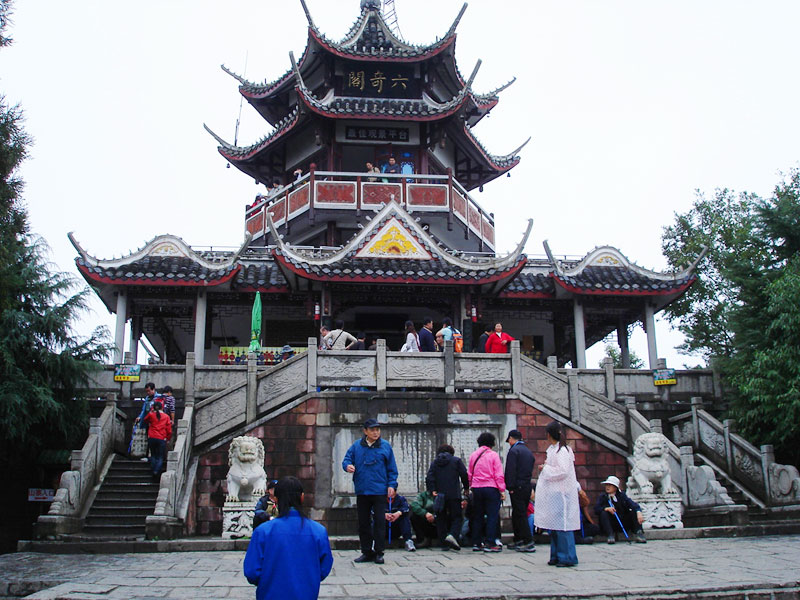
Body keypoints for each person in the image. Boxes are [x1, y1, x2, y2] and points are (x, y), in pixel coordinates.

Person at [243, 476, 333, 600]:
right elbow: (324, 567)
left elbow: (252, 572)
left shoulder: (263, 531)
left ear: (276, 499)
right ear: (302, 497)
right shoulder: (318, 531)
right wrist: (308, 579)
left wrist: (268, 581)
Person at [342, 418, 399, 565]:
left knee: (380, 522)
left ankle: (379, 552)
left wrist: (392, 485)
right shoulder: (357, 446)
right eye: (372, 430)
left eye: (377, 430)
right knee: (363, 523)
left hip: (379, 490)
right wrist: (347, 466)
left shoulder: (385, 446)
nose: (375, 433)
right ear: (365, 431)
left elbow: (392, 469)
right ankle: (366, 551)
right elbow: (346, 460)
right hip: (362, 490)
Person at [534, 421, 580, 567]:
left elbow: (563, 471)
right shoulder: (553, 449)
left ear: (549, 434)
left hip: (562, 493)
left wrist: (546, 469)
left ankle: (567, 557)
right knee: (554, 526)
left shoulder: (563, 451)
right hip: (554, 492)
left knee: (563, 526)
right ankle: (556, 555)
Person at [425, 444, 469, 551]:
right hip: (454, 494)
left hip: (439, 495)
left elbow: (429, 477)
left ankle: (443, 544)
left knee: (441, 518)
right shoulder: (456, 461)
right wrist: (466, 487)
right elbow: (464, 474)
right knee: (457, 517)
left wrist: (432, 490)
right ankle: (453, 535)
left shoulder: (435, 463)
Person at [467, 432, 506, 552]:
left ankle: (476, 542)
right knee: (492, 516)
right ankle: (490, 542)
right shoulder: (493, 455)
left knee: (477, 515)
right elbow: (498, 474)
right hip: (491, 488)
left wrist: (471, 485)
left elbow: (470, 473)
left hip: (477, 488)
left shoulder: (473, 455)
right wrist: (502, 490)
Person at [504, 430, 536, 552]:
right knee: (519, 513)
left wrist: (510, 487)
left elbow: (510, 470)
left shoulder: (514, 451)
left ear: (511, 438)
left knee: (520, 514)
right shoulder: (528, 451)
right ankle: (519, 539)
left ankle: (527, 540)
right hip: (526, 485)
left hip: (517, 486)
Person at [594, 475, 647, 544]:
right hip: (611, 523)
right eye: (606, 485)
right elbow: (596, 509)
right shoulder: (603, 497)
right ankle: (610, 535)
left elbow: (633, 505)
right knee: (603, 513)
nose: (607, 487)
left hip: (622, 521)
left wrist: (638, 512)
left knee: (634, 512)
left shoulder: (622, 496)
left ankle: (639, 533)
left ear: (615, 487)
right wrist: (606, 509)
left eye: (610, 485)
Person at [143, 400, 172, 477]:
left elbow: (145, 419)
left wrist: (151, 412)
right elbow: (169, 430)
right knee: (160, 456)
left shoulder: (151, 415)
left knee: (153, 455)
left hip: (152, 437)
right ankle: (156, 471)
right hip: (161, 438)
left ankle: (153, 470)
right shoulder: (166, 416)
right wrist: (168, 438)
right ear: (162, 407)